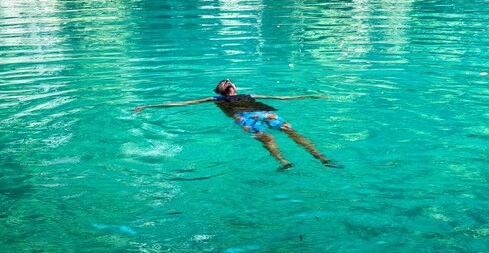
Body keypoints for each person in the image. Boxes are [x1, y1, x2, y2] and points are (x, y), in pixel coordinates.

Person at [134, 79, 339, 169]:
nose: (227, 81)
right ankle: (283, 161)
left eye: (229, 81)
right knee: (267, 138)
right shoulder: (215, 100)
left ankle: (320, 157)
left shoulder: (249, 95)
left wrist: (309, 96)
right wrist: (149, 105)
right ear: (220, 90)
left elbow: (282, 97)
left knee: (290, 131)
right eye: (224, 82)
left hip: (263, 112)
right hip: (244, 118)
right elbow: (182, 103)